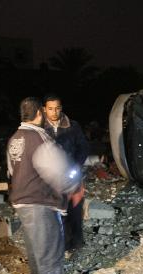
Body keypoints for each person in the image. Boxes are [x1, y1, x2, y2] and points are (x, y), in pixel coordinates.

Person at [7, 97, 83, 274]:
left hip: (21, 201)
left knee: (34, 245)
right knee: (51, 249)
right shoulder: (39, 139)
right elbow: (57, 171)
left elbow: (11, 171)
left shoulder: (15, 138)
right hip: (40, 202)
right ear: (39, 113)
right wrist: (73, 187)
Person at [43, 94, 89, 251]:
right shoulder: (41, 128)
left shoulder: (73, 126)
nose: (54, 112)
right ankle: (60, 245)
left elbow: (83, 148)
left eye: (57, 108)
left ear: (61, 108)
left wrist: (76, 166)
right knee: (55, 212)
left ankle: (76, 242)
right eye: (50, 109)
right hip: (50, 179)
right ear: (44, 109)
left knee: (75, 210)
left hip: (71, 176)